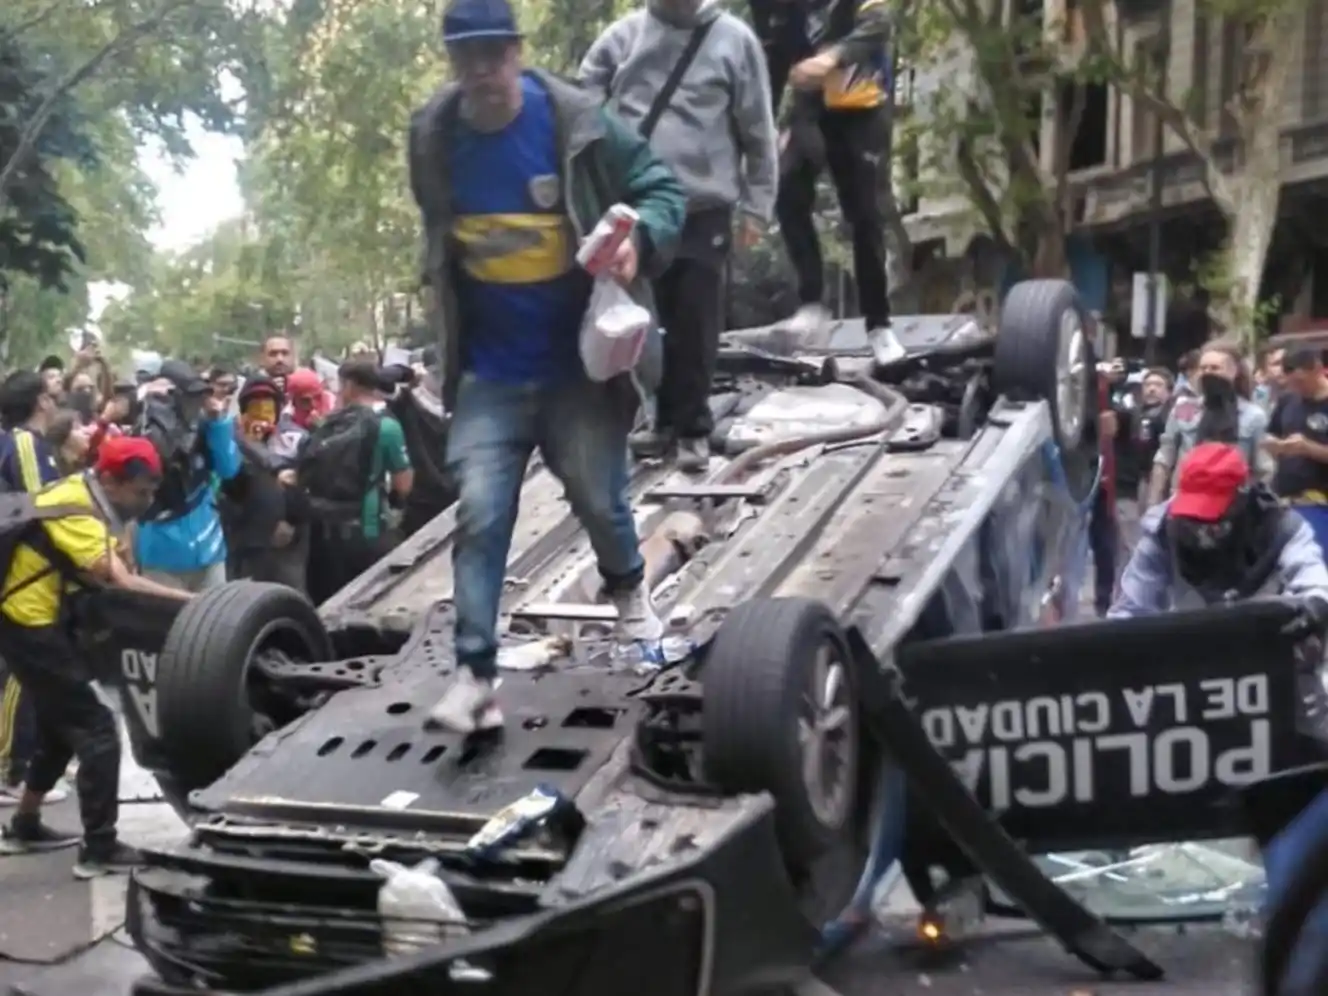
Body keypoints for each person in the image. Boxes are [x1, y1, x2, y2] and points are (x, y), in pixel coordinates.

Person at [408, 0, 687, 733]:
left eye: (494, 55)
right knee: (479, 510)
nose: (482, 73)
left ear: (518, 52)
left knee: (601, 497)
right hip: (491, 374)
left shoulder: (578, 122)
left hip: (576, 369)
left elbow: (663, 188)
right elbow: (442, 239)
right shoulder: (433, 138)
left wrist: (639, 243)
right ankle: (475, 675)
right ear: (451, 62)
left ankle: (631, 596)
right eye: (466, 58)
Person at [580, 0, 778, 471]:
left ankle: (691, 427)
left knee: (694, 320)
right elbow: (580, 104)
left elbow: (759, 129)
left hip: (702, 206)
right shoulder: (623, 37)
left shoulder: (734, 40)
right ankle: (658, 419)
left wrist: (757, 207)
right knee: (640, 321)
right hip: (638, 211)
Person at [0, 437, 192, 877]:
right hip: (30, 627)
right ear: (109, 479)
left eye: (151, 491)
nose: (146, 502)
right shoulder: (77, 512)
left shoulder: (82, 492)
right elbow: (122, 583)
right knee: (99, 730)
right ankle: (100, 848)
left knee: (59, 725)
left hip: (36, 622)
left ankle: (25, 824)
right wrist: (193, 602)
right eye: (139, 491)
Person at [748, 0, 904, 367]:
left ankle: (879, 324)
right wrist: (763, 126)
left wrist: (832, 57)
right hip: (810, 109)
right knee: (786, 186)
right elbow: (772, 61)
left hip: (861, 107)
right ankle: (812, 302)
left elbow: (879, 24)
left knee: (865, 216)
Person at [1109, 443, 1328, 619]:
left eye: (1213, 518)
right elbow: (1130, 609)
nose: (1201, 530)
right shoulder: (1162, 529)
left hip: (1264, 645)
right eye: (1193, 517)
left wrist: (1312, 609)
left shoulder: (1281, 526)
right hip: (1190, 649)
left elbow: (1315, 583)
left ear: (1241, 498)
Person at [296, 361, 413, 604]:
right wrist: (396, 505)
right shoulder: (387, 426)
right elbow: (403, 483)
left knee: (327, 605)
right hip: (367, 530)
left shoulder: (327, 424)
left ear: (348, 385)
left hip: (322, 535)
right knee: (373, 601)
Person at [0, 371, 65, 808]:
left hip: (25, 573)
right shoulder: (24, 443)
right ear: (40, 401)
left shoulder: (30, 444)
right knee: (18, 673)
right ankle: (9, 770)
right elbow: (37, 506)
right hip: (20, 575)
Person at [133, 360, 242, 592]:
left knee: (214, 622)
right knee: (167, 622)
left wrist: (219, 423)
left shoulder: (206, 425)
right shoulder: (144, 428)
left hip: (209, 548)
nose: (195, 403)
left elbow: (228, 469)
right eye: (189, 395)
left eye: (199, 395)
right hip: (161, 551)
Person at [1148, 343, 1270, 505]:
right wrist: (1153, 503)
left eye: (1215, 368)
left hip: (1230, 504)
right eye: (1203, 368)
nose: (1208, 374)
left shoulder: (1253, 416)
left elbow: (1263, 469)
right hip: (1183, 500)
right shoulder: (1184, 408)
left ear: (1234, 372)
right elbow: (1165, 456)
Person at [223, 376, 310, 590]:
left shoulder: (295, 438)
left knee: (289, 591)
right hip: (242, 535)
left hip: (286, 537)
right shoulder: (229, 438)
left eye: (267, 403)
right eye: (255, 404)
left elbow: (307, 483)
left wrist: (292, 521)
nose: (262, 411)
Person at [1266, 346, 1328, 553]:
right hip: (1285, 500)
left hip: (1320, 502)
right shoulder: (1287, 400)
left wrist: (1309, 448)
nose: (1297, 388)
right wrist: (1274, 446)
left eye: (1301, 381)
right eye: (1291, 383)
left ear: (1317, 369)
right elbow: (1271, 433)